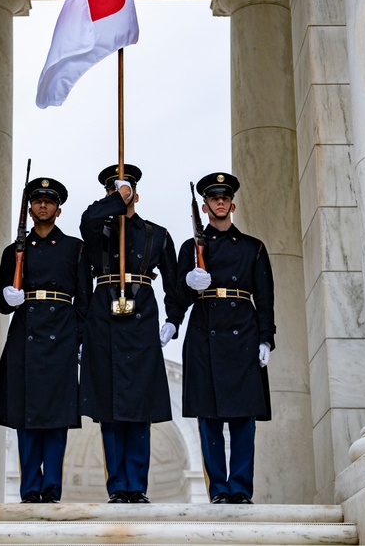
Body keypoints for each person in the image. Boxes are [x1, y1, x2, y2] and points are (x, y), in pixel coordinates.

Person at [78, 164, 184, 504]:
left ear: (136, 195)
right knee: (109, 409)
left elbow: (174, 282)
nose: (121, 197)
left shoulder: (157, 234)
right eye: (113, 192)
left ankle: (136, 486)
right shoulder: (98, 231)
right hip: (103, 319)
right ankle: (116, 487)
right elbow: (87, 219)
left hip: (140, 318)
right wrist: (114, 202)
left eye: (125, 192)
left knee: (140, 407)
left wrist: (174, 318)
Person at [0, 177, 91, 503]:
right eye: (37, 201)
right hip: (26, 336)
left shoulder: (75, 248)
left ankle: (52, 489)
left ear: (58, 209)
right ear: (30, 209)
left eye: (49, 201)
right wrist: (8, 295)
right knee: (26, 415)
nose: (42, 205)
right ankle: (30, 489)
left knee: (57, 416)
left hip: (60, 335)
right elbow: (1, 302)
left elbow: (85, 301)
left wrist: (77, 339)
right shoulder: (14, 251)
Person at [176, 172, 274, 505]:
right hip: (205, 336)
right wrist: (190, 284)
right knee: (210, 419)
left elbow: (264, 297)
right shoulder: (191, 248)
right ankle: (218, 488)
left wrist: (265, 338)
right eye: (214, 198)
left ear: (233, 204)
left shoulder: (253, 248)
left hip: (243, 335)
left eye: (225, 197)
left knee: (244, 419)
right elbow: (177, 297)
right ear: (204, 207)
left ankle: (241, 488)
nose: (220, 202)